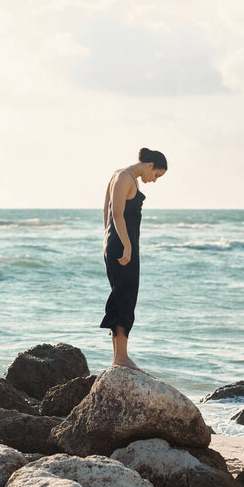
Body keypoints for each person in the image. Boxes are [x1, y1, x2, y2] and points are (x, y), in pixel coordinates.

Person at [100, 147, 168, 372]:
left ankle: (120, 357)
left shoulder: (123, 176)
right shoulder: (123, 177)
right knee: (124, 297)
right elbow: (115, 214)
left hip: (119, 244)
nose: (155, 180)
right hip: (122, 245)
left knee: (124, 297)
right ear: (150, 165)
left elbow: (105, 213)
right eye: (156, 175)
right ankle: (121, 358)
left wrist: (110, 240)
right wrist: (126, 245)